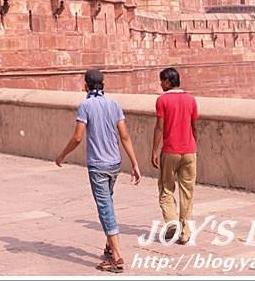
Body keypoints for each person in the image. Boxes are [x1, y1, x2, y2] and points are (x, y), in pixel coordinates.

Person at [55, 68, 141, 273]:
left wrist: (62, 155)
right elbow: (125, 136)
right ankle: (110, 247)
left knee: (105, 208)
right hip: (114, 163)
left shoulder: (86, 105)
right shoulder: (113, 105)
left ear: (85, 85)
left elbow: (77, 137)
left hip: (98, 164)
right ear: (103, 84)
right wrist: (135, 163)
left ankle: (117, 258)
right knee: (108, 203)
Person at [151, 67, 198, 245]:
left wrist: (154, 150)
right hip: (189, 150)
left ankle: (171, 222)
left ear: (169, 82)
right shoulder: (191, 100)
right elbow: (194, 126)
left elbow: (159, 127)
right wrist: (194, 145)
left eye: (162, 81)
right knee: (187, 193)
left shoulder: (162, 100)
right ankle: (185, 232)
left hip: (170, 150)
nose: (160, 84)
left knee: (166, 188)